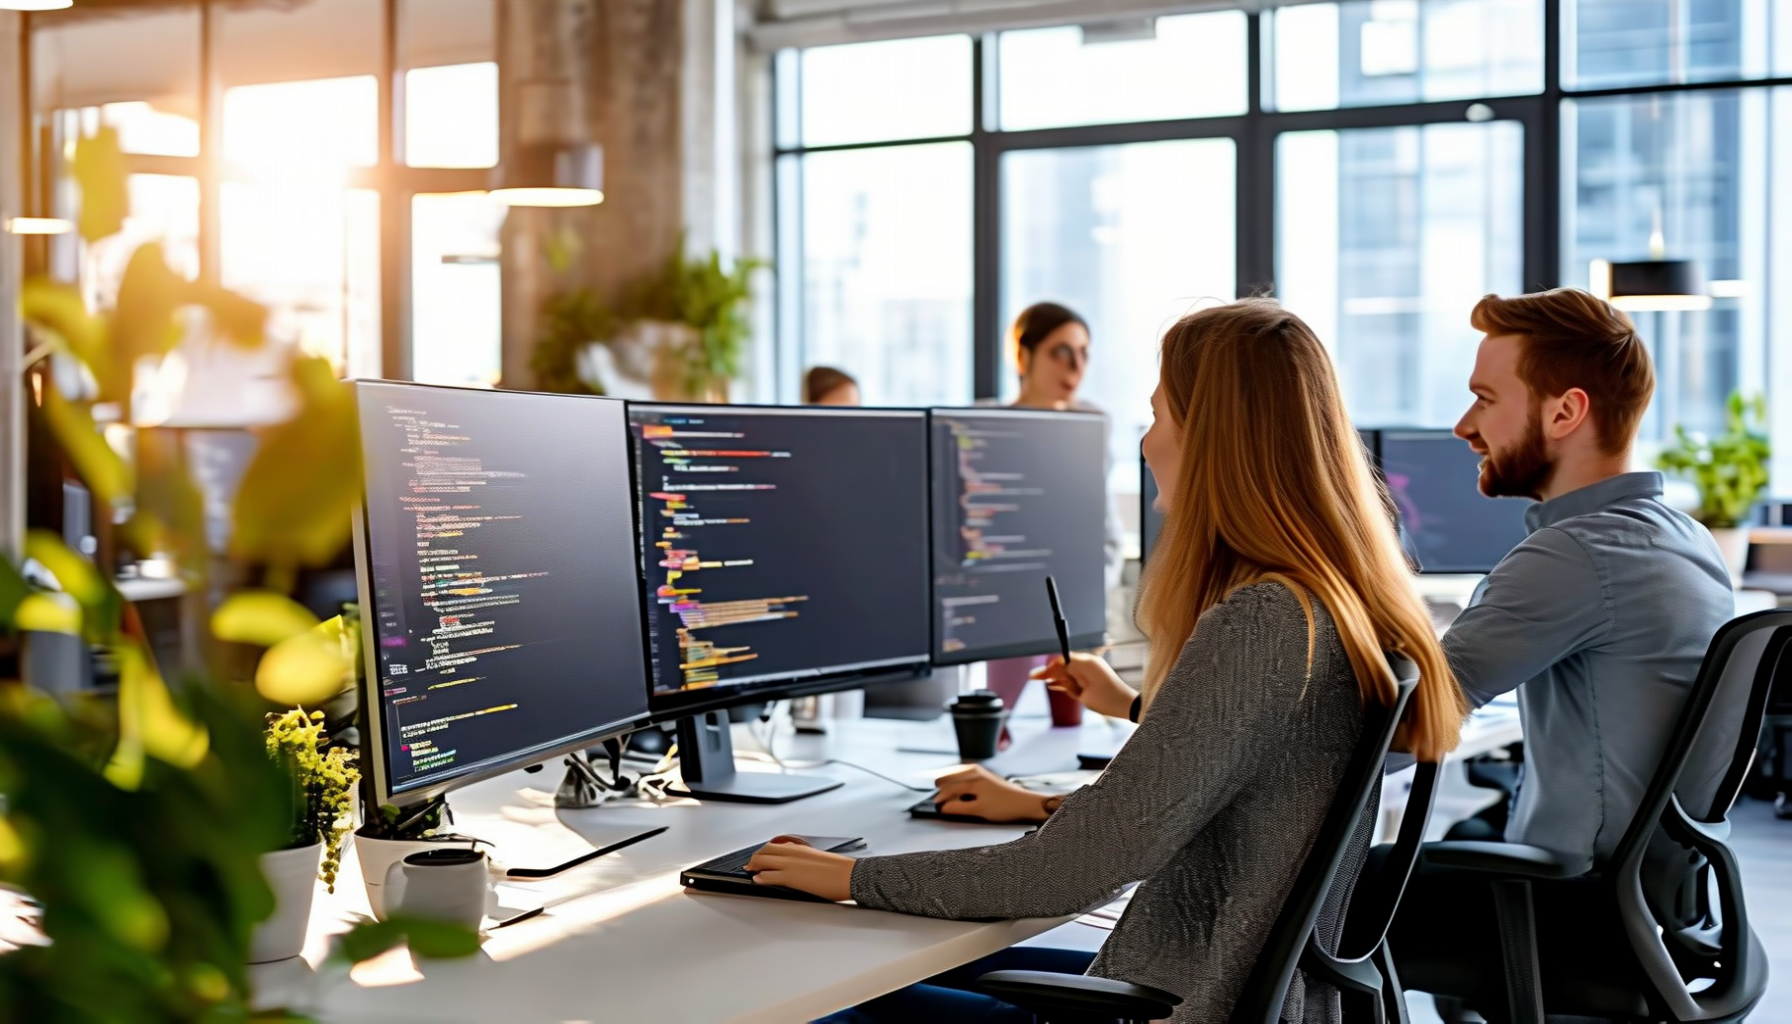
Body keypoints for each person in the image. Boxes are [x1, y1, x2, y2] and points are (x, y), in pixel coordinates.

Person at [747, 300, 1468, 1024]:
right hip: (1228, 984)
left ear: (1215, 438)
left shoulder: (1267, 619)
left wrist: (848, 875)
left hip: (1182, 999)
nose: (1149, 444)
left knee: (827, 999)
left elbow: (1072, 870)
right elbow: (1223, 787)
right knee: (929, 960)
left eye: (1159, 416)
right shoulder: (1334, 605)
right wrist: (1056, 791)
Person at [1388, 289, 1735, 1015]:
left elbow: (1400, 731)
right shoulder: (1682, 536)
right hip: (1660, 905)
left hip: (1576, 912)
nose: (1463, 426)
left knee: (1318, 898)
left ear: (1565, 413)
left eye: (1485, 399)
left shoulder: (1574, 554)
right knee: (1447, 841)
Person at [982, 303, 1123, 727]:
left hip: (1076, 605)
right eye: (1061, 351)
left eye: (1084, 353)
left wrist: (1087, 590)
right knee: (994, 731)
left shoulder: (1092, 424)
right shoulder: (986, 426)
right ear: (1023, 356)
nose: (1076, 366)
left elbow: (1107, 533)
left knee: (1082, 734)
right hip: (1009, 609)